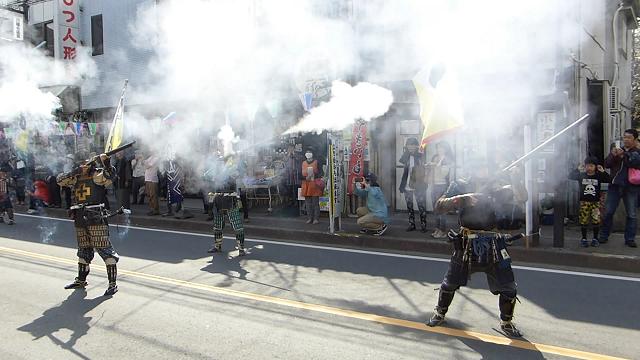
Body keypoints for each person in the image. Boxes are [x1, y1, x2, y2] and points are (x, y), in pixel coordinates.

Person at [426, 160, 525, 338]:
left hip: (493, 243)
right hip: (465, 242)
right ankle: (440, 313)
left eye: (485, 165)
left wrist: (516, 180)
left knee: (508, 287)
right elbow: (439, 206)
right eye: (479, 165)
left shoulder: (498, 187)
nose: (483, 168)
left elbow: (522, 197)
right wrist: (462, 199)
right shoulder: (460, 185)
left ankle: (507, 322)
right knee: (449, 284)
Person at [57, 153, 120, 296]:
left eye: (86, 163)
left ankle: (112, 283)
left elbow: (111, 176)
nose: (84, 166)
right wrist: (75, 171)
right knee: (83, 249)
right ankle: (81, 279)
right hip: (79, 217)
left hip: (95, 216)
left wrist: (107, 162)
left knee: (104, 249)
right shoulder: (75, 177)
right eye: (81, 163)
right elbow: (60, 180)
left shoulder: (97, 175)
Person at [600, 129, 640, 248]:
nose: (626, 139)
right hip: (615, 185)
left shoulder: (636, 152)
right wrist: (613, 155)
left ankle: (630, 239)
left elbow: (635, 163)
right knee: (608, 212)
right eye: (625, 137)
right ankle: (604, 235)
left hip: (631, 186)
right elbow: (606, 164)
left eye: (629, 137)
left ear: (635, 139)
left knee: (632, 214)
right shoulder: (617, 150)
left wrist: (624, 155)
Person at [206, 154, 246, 256]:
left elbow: (241, 172)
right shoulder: (216, 169)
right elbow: (205, 175)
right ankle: (217, 246)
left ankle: (241, 248)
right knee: (217, 226)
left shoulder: (234, 169)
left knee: (237, 226)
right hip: (218, 199)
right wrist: (213, 175)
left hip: (231, 200)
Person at [569, 157, 610, 247]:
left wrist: (602, 171)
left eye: (591, 166)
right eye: (587, 166)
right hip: (584, 202)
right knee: (583, 221)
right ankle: (584, 238)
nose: (589, 168)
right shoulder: (581, 175)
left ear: (595, 167)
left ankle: (595, 238)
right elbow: (570, 176)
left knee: (596, 220)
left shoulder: (598, 176)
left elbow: (608, 179)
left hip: (596, 202)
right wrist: (578, 169)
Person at [399, 138, 427, 233]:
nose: (410, 147)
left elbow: (424, 168)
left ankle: (423, 225)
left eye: (413, 145)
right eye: (408, 145)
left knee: (421, 205)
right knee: (409, 206)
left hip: (418, 184)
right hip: (407, 184)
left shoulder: (420, 156)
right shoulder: (405, 156)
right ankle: (412, 224)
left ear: (416, 146)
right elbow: (403, 163)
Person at [427, 141, 454, 238]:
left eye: (441, 148)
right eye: (438, 148)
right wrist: (430, 167)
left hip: (442, 186)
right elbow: (431, 172)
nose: (439, 150)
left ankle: (442, 231)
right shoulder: (435, 157)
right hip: (434, 186)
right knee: (436, 209)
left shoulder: (447, 159)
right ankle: (437, 229)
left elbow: (444, 174)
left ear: (446, 149)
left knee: (441, 210)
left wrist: (436, 165)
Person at [300, 148, 324, 224]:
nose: (308, 153)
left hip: (314, 185)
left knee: (315, 203)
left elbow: (321, 173)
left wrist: (315, 175)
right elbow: (300, 174)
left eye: (309, 152)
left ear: (313, 153)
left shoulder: (317, 162)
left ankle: (316, 218)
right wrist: (305, 177)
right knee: (308, 203)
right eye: (307, 152)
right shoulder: (303, 163)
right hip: (306, 184)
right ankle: (309, 218)